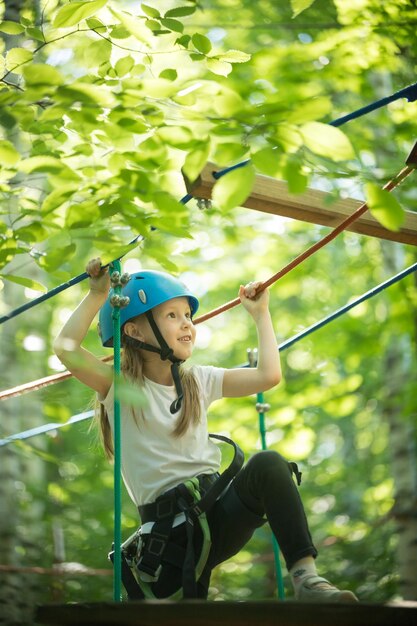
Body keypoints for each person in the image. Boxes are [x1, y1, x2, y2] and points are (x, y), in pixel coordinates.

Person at [53, 257, 358, 603]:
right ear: (133, 331)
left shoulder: (198, 380)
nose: (187, 325)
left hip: (216, 510)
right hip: (169, 537)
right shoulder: (120, 389)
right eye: (172, 315)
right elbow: (66, 348)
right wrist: (97, 294)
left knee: (269, 465)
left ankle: (306, 580)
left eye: (188, 316)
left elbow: (267, 376)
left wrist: (261, 315)